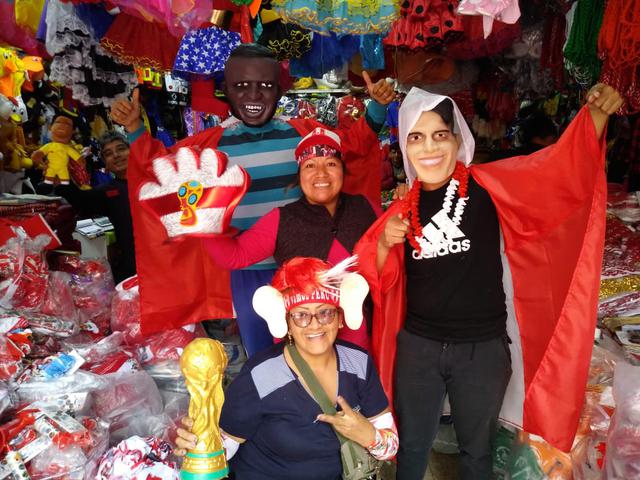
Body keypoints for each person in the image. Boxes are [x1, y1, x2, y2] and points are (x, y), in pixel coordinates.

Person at [354, 84, 622, 480]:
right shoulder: (401, 209)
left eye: (440, 135)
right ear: (405, 148)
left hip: (482, 350)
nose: (429, 148)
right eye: (417, 137)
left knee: (476, 451)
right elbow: (374, 280)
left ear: (458, 139)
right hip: (419, 349)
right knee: (411, 447)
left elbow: (555, 173)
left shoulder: (489, 188)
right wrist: (383, 244)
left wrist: (597, 115)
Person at [110, 43, 395, 352]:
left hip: (309, 266)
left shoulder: (304, 135)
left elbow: (352, 149)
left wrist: (378, 108)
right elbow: (163, 171)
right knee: (265, 355)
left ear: (280, 91)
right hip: (248, 271)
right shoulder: (208, 147)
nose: (254, 95)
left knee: (326, 347)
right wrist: (136, 128)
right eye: (242, 86)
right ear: (226, 90)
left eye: (265, 86)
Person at [174, 257, 399, 480]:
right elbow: (226, 444)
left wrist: (369, 435)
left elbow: (390, 448)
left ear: (339, 318)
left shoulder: (358, 362)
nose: (314, 324)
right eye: (301, 315)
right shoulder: (261, 374)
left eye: (325, 312)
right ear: (287, 324)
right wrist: (200, 443)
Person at [203, 127, 380, 349]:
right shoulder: (281, 219)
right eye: (310, 166)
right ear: (299, 175)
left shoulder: (365, 208)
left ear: (343, 170)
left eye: (331, 164)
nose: (321, 173)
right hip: (304, 343)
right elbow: (234, 257)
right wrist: (205, 221)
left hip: (359, 338)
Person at [55, 131, 135, 283]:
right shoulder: (107, 192)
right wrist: (61, 179)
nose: (116, 155)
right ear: (105, 163)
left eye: (121, 149)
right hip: (132, 268)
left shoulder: (155, 179)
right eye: (109, 153)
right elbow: (82, 201)